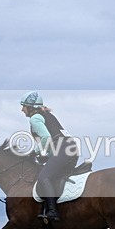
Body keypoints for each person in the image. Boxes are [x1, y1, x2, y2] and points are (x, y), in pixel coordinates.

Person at [20, 91, 80, 221]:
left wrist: (35, 152)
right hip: (71, 149)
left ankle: (53, 212)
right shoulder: (47, 115)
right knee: (54, 176)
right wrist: (46, 154)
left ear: (30, 107)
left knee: (43, 177)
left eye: (24, 106)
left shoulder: (35, 118)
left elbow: (46, 137)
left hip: (63, 149)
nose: (22, 109)